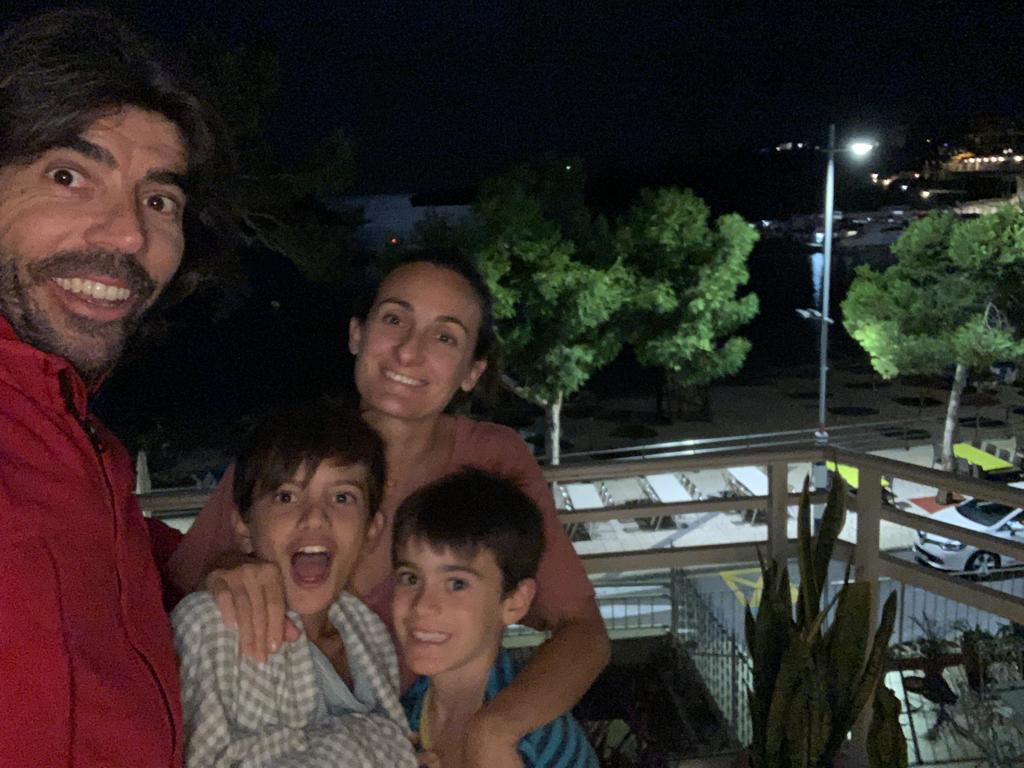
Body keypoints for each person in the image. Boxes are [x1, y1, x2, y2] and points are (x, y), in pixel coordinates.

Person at [169, 249, 611, 767]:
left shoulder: (492, 459)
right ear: (357, 334)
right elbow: (181, 602)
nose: (408, 352)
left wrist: (493, 732)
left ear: (472, 371)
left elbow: (583, 630)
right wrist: (230, 569)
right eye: (394, 320)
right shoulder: (291, 457)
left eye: (444, 337)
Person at [0, 9, 213, 766]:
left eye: (159, 201)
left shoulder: (86, 446)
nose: (128, 234)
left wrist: (215, 574)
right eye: (69, 177)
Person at [172, 402, 418, 767]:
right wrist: (378, 741)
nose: (315, 517)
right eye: (286, 496)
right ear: (243, 526)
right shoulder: (212, 623)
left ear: (371, 530)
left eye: (342, 497)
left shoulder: (371, 636)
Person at [394, 469, 599, 768]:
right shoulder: (403, 716)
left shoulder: (540, 739)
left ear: (515, 602)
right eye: (410, 578)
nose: (423, 605)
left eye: (457, 584)